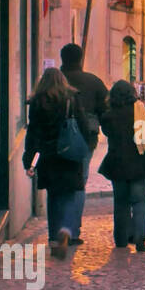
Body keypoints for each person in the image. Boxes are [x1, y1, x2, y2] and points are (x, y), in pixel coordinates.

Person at [22, 68, 90, 258]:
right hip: (69, 153)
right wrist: (86, 146)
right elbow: (83, 125)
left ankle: (53, 238)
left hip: (48, 155)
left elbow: (32, 133)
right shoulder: (71, 98)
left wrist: (29, 159)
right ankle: (67, 230)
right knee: (69, 195)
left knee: (53, 196)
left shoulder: (37, 102)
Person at [99, 80, 145, 252]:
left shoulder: (109, 115)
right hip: (140, 165)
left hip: (118, 165)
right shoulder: (143, 111)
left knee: (121, 203)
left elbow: (106, 132)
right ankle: (140, 236)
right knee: (140, 201)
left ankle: (121, 240)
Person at [59, 43, 108, 244]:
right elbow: (106, 111)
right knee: (79, 183)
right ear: (81, 59)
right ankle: (72, 230)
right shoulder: (93, 82)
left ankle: (58, 229)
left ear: (62, 58)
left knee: (59, 185)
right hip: (85, 140)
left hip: (57, 139)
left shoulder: (54, 81)